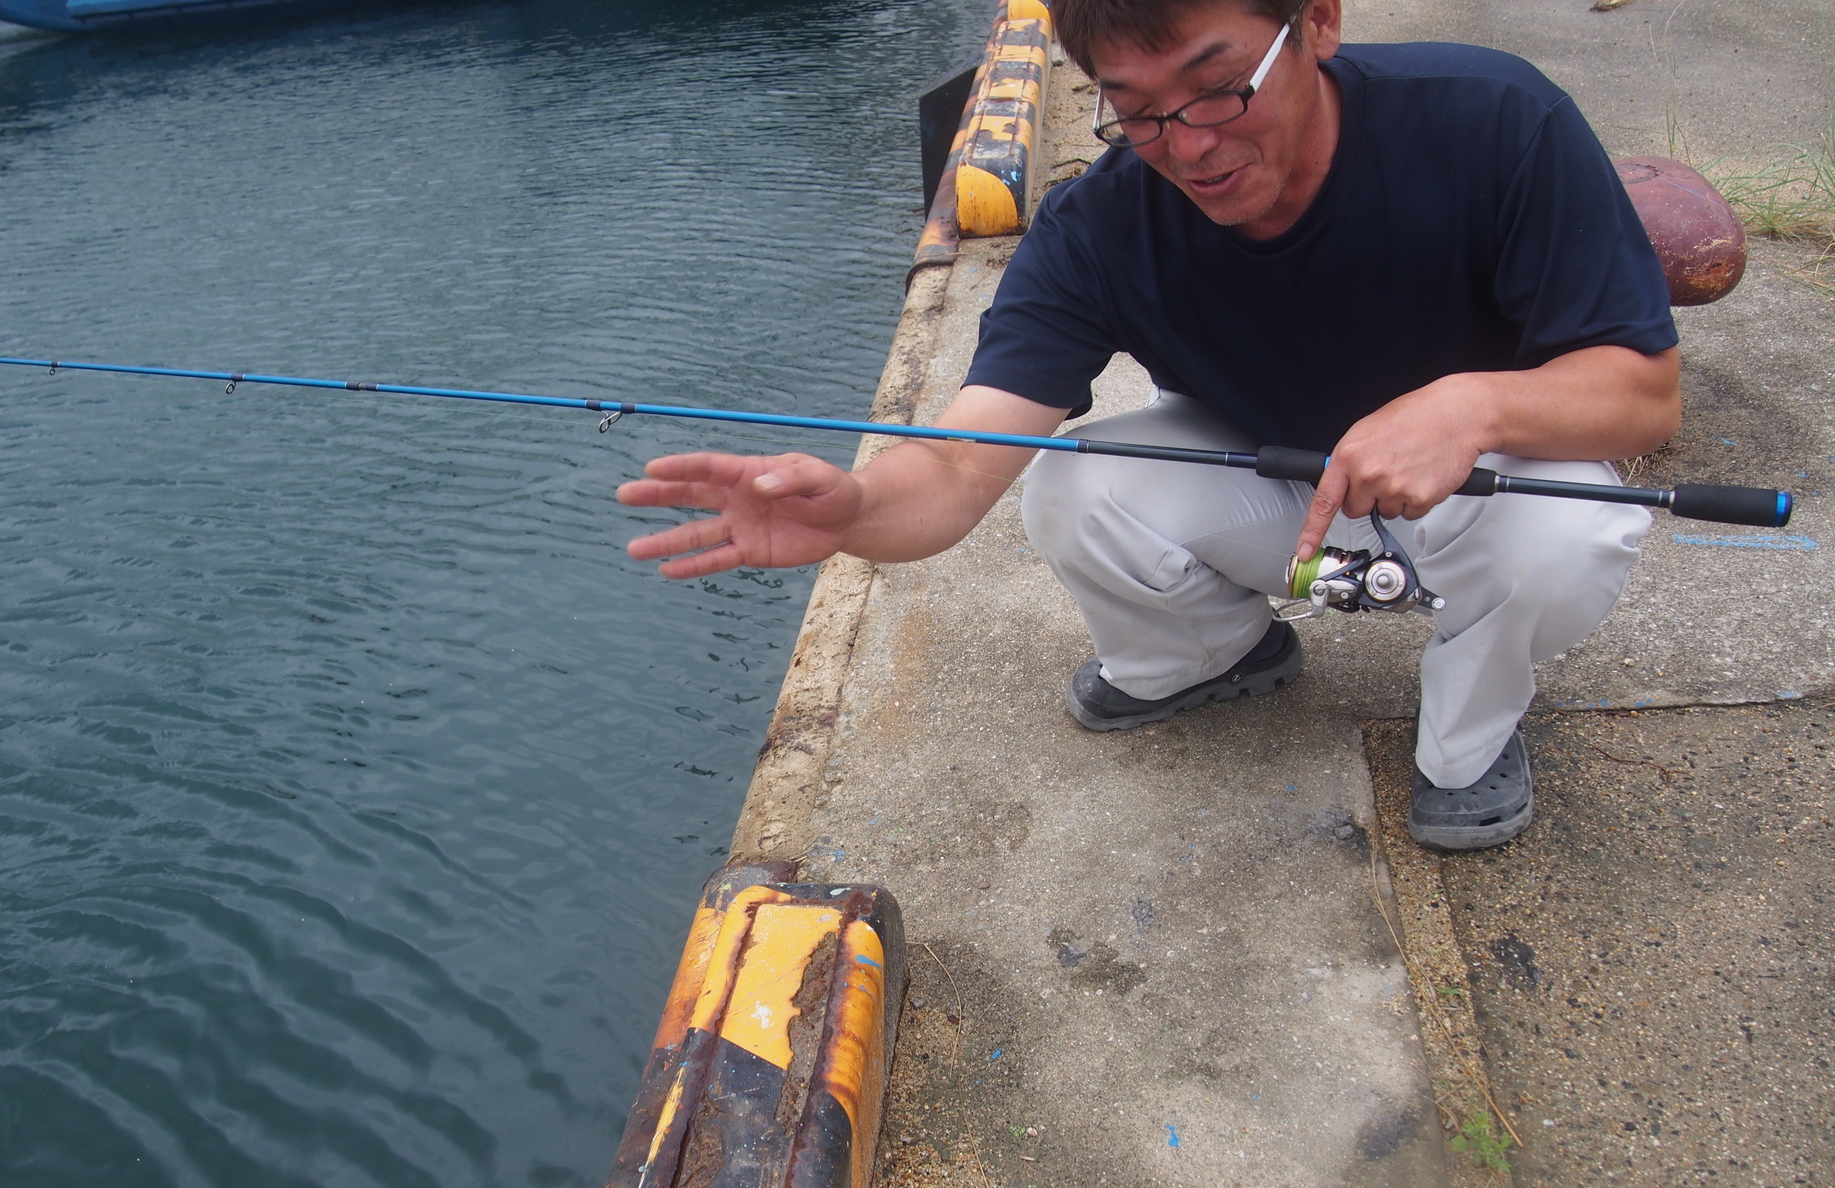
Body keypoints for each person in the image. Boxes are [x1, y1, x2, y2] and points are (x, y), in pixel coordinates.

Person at [615, 0, 1681, 850]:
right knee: (1072, 481)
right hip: (1286, 488)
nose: (1189, 144)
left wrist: (1472, 403)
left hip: (1477, 492)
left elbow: (1642, 388)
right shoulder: (1101, 227)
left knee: (1573, 526)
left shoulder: (1495, 118)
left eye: (1220, 89)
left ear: (1317, 22)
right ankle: (1213, 653)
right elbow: (955, 468)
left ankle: (1472, 737)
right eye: (1137, 109)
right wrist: (852, 510)